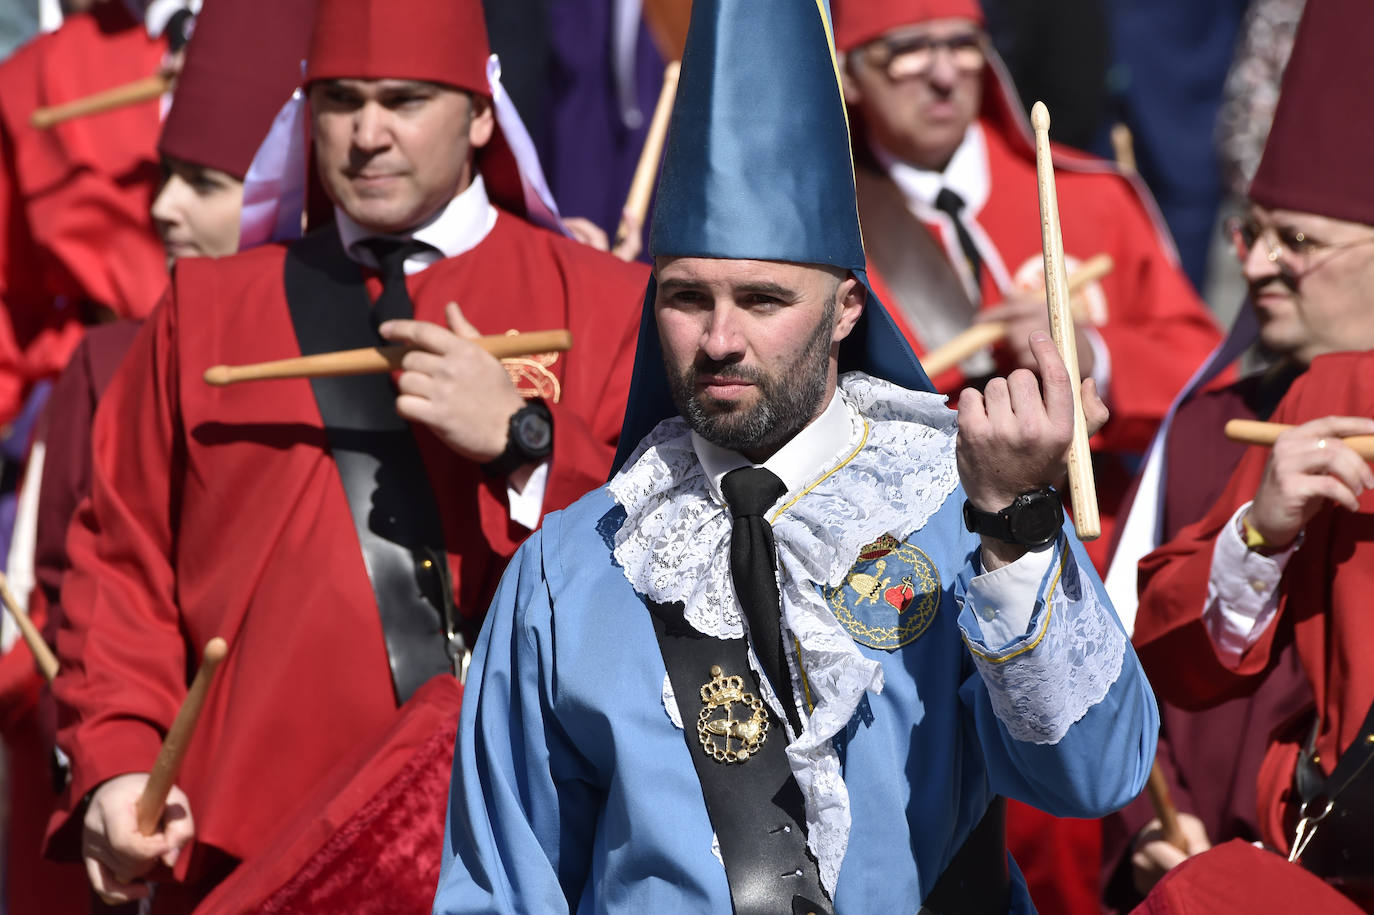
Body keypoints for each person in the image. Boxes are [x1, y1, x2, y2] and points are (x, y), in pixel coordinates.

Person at [434, 1, 1157, 912]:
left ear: (847, 309)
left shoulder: (957, 514)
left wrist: (1015, 533)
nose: (721, 338)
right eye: (687, 297)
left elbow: (1095, 777)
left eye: (765, 298)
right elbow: (501, 885)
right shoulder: (571, 567)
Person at [45, 0, 648, 909]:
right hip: (253, 856)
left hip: (517, 851)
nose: (368, 134)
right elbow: (118, 564)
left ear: (481, 113)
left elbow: (675, 566)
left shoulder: (609, 307)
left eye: (404, 100)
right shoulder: (203, 310)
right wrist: (118, 762)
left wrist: (526, 446)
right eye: (340, 101)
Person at [831, 0, 1221, 571]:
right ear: (850, 75)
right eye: (907, 52)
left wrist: (1092, 351)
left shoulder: (1091, 197)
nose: (944, 75)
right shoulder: (829, 225)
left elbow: (1209, 377)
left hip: (1097, 552)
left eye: (963, 44)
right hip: (909, 564)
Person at [1133, 1, 1374, 906]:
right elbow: (1166, 648)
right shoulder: (1324, 400)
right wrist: (1259, 535)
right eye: (1252, 233)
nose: (1261, 263)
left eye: (1299, 241)